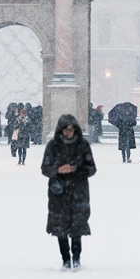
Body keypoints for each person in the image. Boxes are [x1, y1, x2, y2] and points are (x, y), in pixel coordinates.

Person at [41, 114, 97, 270]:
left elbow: (92, 168)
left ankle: (76, 258)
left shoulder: (83, 145)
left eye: (71, 130)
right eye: (65, 130)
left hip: (78, 190)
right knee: (60, 227)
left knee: (77, 226)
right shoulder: (53, 146)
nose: (68, 133)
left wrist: (78, 171)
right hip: (58, 192)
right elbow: (44, 168)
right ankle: (65, 259)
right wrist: (58, 170)